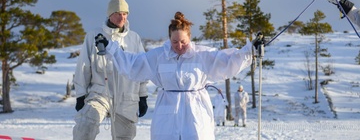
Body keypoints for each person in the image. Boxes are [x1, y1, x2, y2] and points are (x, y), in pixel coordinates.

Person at [95, 11, 253, 140]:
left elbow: (228, 61)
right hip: (167, 112)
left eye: (183, 41)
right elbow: (133, 64)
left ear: (189, 38)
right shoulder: (159, 56)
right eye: (174, 42)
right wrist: (111, 48)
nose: (179, 46)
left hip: (195, 112)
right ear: (169, 38)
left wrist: (250, 51)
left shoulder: (202, 54)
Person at [73, 0, 148, 140]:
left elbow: (141, 68)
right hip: (100, 93)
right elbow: (83, 67)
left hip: (127, 97)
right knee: (85, 127)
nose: (122, 17)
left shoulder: (134, 38)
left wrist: (142, 96)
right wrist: (80, 95)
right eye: (118, 13)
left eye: (125, 14)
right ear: (110, 14)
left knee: (125, 136)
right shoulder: (93, 36)